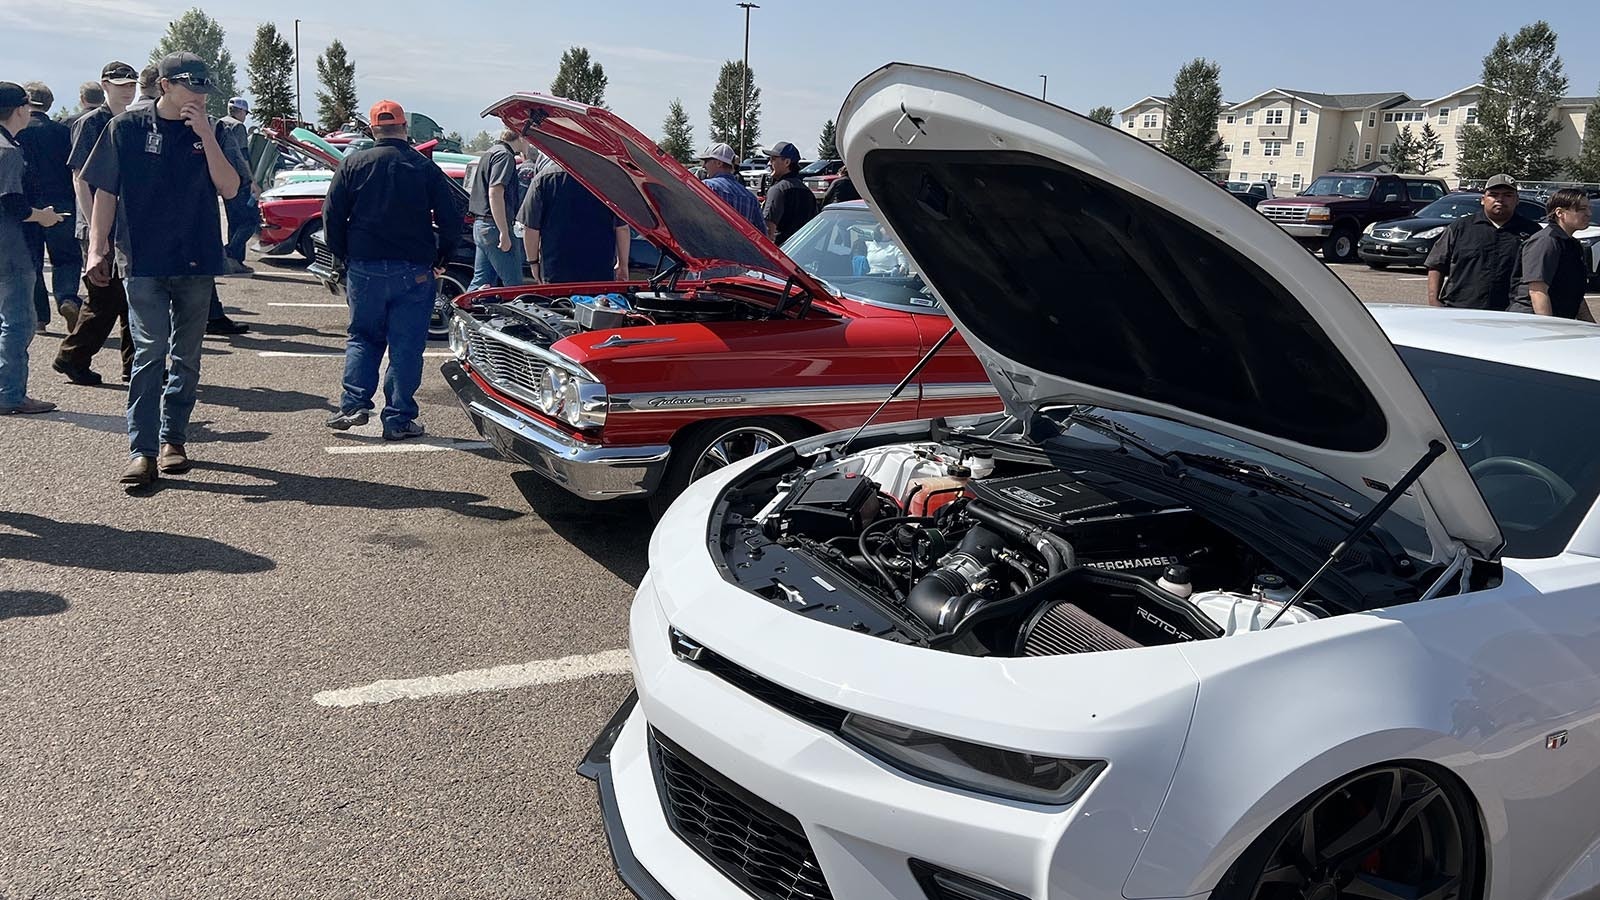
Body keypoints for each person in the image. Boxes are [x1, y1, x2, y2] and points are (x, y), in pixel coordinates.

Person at [81, 52, 242, 487]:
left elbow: (229, 187)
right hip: (143, 260)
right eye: (191, 86)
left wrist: (206, 134)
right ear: (166, 86)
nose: (199, 95)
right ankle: (142, 450)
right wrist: (98, 249)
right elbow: (105, 192)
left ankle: (174, 439)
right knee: (149, 354)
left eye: (204, 88)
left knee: (186, 358)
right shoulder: (126, 128)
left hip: (196, 259)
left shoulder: (217, 131)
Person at [321, 99, 462, 441]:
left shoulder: (353, 164)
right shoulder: (423, 167)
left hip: (365, 266)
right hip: (413, 269)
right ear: (404, 129)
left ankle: (353, 405)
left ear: (372, 130)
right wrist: (443, 256)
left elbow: (332, 217)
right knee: (406, 345)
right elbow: (451, 216)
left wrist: (344, 257)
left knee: (363, 337)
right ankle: (397, 419)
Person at [53, 60, 138, 386]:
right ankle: (72, 356)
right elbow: (80, 177)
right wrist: (93, 227)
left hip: (126, 224)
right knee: (106, 299)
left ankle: (135, 365)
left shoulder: (130, 121)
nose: (127, 89)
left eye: (130, 83)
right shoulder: (92, 123)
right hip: (98, 225)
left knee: (130, 297)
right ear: (105, 85)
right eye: (120, 84)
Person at [1, 81, 64, 415]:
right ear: (20, 109)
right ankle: (10, 393)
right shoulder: (8, 151)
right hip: (9, 247)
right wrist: (44, 217)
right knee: (18, 322)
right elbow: (13, 204)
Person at [17, 82, 82, 333]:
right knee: (66, 258)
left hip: (27, 205)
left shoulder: (17, 131)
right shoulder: (62, 132)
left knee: (32, 261)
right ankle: (67, 297)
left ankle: (39, 318)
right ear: (50, 104)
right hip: (61, 203)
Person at [1424, 174, 1541, 311]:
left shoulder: (1532, 232)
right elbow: (1436, 264)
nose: (1500, 199)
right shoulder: (1460, 227)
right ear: (1483, 200)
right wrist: (1434, 301)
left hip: (1510, 313)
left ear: (1517, 200)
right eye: (1493, 194)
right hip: (1459, 309)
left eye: (1507, 195)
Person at [518, 160, 629, 284]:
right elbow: (622, 227)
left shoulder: (543, 179)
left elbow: (531, 228)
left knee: (558, 303)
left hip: (556, 270)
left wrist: (533, 263)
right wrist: (623, 265)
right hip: (600, 269)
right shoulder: (609, 181)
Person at [1511, 189, 1593, 319]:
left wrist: (1590, 326)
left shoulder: (1572, 245)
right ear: (1560, 213)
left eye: (1588, 208)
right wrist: (1549, 329)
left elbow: (1575, 294)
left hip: (1561, 322)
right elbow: (1537, 291)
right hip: (1532, 323)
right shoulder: (1546, 241)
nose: (1589, 213)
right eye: (1582, 209)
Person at [466, 128, 527, 290]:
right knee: (513, 287)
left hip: (481, 226)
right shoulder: (505, 156)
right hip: (494, 226)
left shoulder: (490, 152)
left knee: (481, 282)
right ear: (520, 137)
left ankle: (460, 312)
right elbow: (495, 192)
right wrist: (504, 232)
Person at [217, 97, 258, 278]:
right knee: (250, 221)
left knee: (234, 221)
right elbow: (242, 155)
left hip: (224, 179)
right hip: (240, 180)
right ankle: (230, 253)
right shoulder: (238, 127)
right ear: (241, 112)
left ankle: (236, 262)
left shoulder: (219, 123)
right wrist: (252, 180)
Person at [696, 142, 764, 233]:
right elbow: (762, 236)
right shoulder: (751, 198)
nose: (703, 166)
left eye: (706, 161)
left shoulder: (707, 187)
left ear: (718, 163)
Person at [760, 141, 816, 245]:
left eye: (773, 159)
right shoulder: (807, 192)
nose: (769, 163)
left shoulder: (777, 190)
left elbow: (768, 230)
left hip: (781, 251)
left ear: (787, 162)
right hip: (802, 250)